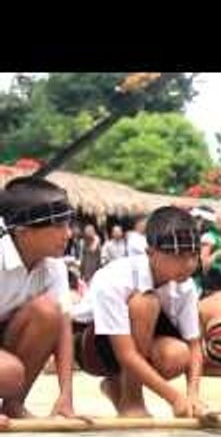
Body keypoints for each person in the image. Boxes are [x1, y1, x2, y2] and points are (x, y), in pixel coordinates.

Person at [73, 206, 208, 418]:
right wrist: (175, 398)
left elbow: (194, 347)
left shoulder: (186, 286)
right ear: (150, 254)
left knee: (179, 355)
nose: (189, 264)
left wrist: (192, 395)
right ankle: (132, 400)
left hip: (137, 345)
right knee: (146, 303)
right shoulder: (116, 277)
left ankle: (116, 387)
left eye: (193, 255)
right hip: (93, 347)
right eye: (179, 256)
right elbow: (125, 353)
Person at [0, 178, 78, 423]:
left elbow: (64, 328)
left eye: (68, 225)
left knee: (48, 311)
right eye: (58, 226)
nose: (68, 234)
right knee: (8, 372)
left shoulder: (54, 267)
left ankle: (14, 405)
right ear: (23, 231)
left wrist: (66, 397)